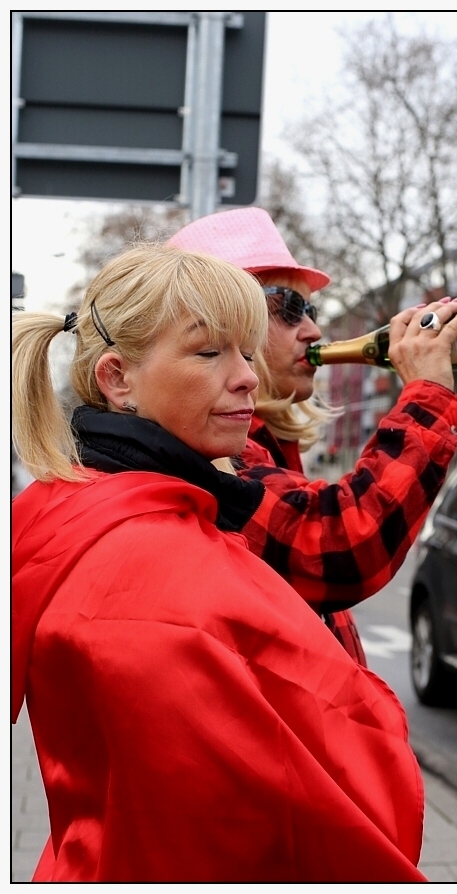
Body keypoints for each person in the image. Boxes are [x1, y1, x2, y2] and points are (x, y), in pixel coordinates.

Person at [11, 245, 426, 882]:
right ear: (118, 379)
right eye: (211, 352)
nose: (248, 377)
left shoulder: (80, 507)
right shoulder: (164, 567)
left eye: (245, 349)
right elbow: (311, 805)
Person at [167, 208, 457, 663]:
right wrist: (426, 397)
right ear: (222, 323)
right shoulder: (214, 454)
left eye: (310, 310)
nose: (313, 330)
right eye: (291, 310)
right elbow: (341, 542)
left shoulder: (261, 443)